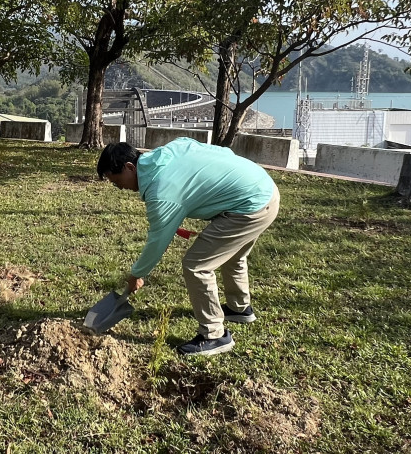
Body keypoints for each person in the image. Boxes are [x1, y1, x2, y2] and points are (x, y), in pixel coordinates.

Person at [97, 138, 280, 357]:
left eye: (117, 181)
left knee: (196, 265)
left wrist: (137, 274)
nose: (120, 188)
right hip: (263, 187)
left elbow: (157, 242)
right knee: (231, 255)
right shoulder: (171, 149)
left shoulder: (161, 192)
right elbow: (222, 151)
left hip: (250, 206)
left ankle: (215, 335)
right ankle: (240, 309)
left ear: (129, 167)